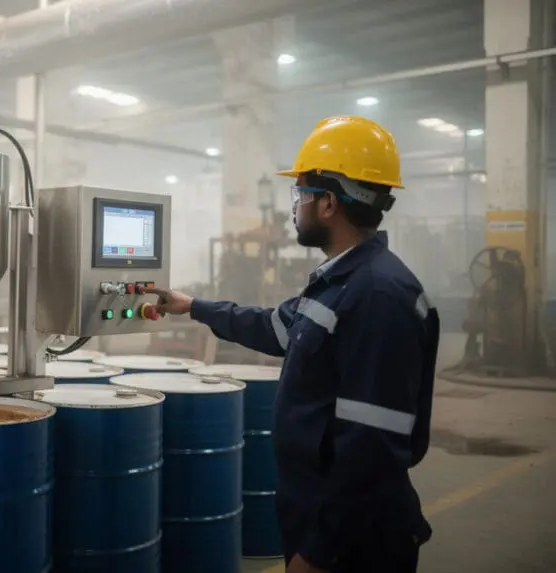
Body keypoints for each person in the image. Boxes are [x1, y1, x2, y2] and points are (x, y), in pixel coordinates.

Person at [145, 116, 440, 573]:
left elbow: (372, 445)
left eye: (299, 195)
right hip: (319, 514)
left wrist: (321, 549)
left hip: (356, 541)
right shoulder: (340, 281)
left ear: (327, 204)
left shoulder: (379, 295)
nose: (293, 208)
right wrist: (192, 306)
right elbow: (274, 328)